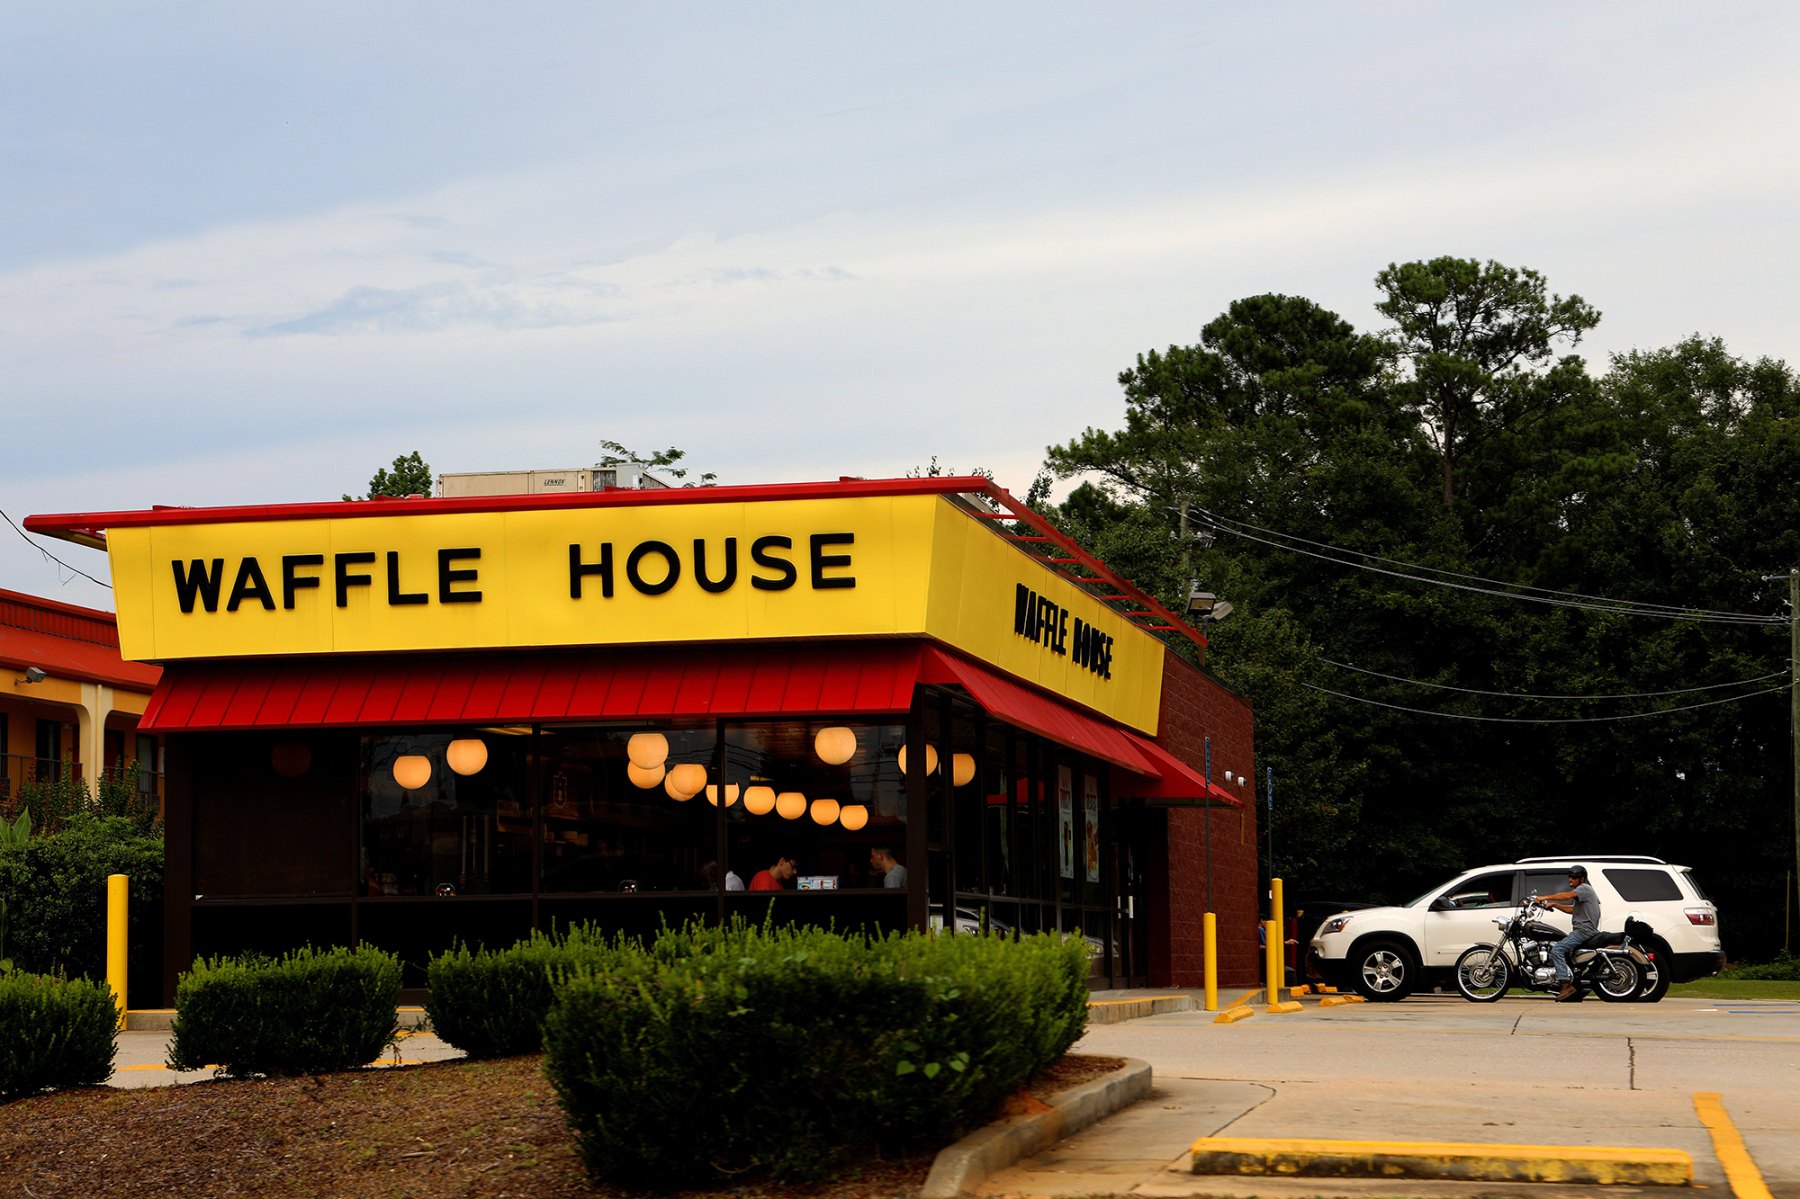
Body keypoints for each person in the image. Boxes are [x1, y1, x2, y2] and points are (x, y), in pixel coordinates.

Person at [1537, 864, 1601, 1001]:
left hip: (1584, 931)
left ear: (1582, 879)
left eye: (1574, 877)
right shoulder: (1583, 893)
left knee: (1557, 950)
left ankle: (1566, 986)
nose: (1570, 880)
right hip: (1584, 930)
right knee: (1563, 950)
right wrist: (1553, 904)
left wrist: (1544, 897)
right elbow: (1571, 909)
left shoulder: (1584, 888)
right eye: (1570, 877)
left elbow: (1567, 896)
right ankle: (1571, 982)